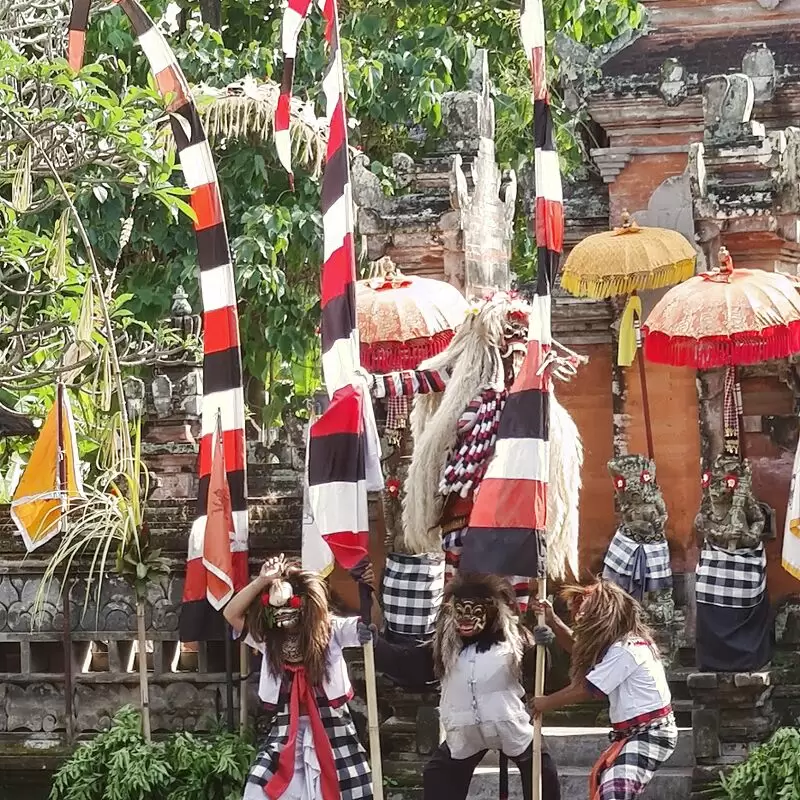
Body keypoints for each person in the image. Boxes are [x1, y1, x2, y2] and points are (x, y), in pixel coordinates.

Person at [359, 572, 561, 800]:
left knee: (542, 771)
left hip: (510, 724)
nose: (465, 619)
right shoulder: (444, 647)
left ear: (492, 610)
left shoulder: (514, 640)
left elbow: (539, 673)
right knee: (437, 774)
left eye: (475, 611)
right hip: (463, 732)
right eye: (460, 611)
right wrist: (376, 645)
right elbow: (407, 662)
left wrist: (543, 648)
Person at [224, 554, 372, 800]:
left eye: (289, 605)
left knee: (346, 791)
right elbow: (231, 614)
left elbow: (358, 627)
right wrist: (262, 581)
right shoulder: (268, 640)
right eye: (276, 609)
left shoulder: (328, 630)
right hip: (286, 729)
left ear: (304, 604)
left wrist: (365, 625)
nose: (283, 615)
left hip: (331, 727)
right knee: (257, 790)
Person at [531, 580, 677, 800]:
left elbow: (585, 689)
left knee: (612, 793)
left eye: (586, 617)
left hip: (650, 733)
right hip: (637, 733)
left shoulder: (627, 649)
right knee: (610, 791)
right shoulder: (619, 645)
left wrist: (542, 703)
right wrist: (552, 620)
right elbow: (579, 648)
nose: (581, 621)